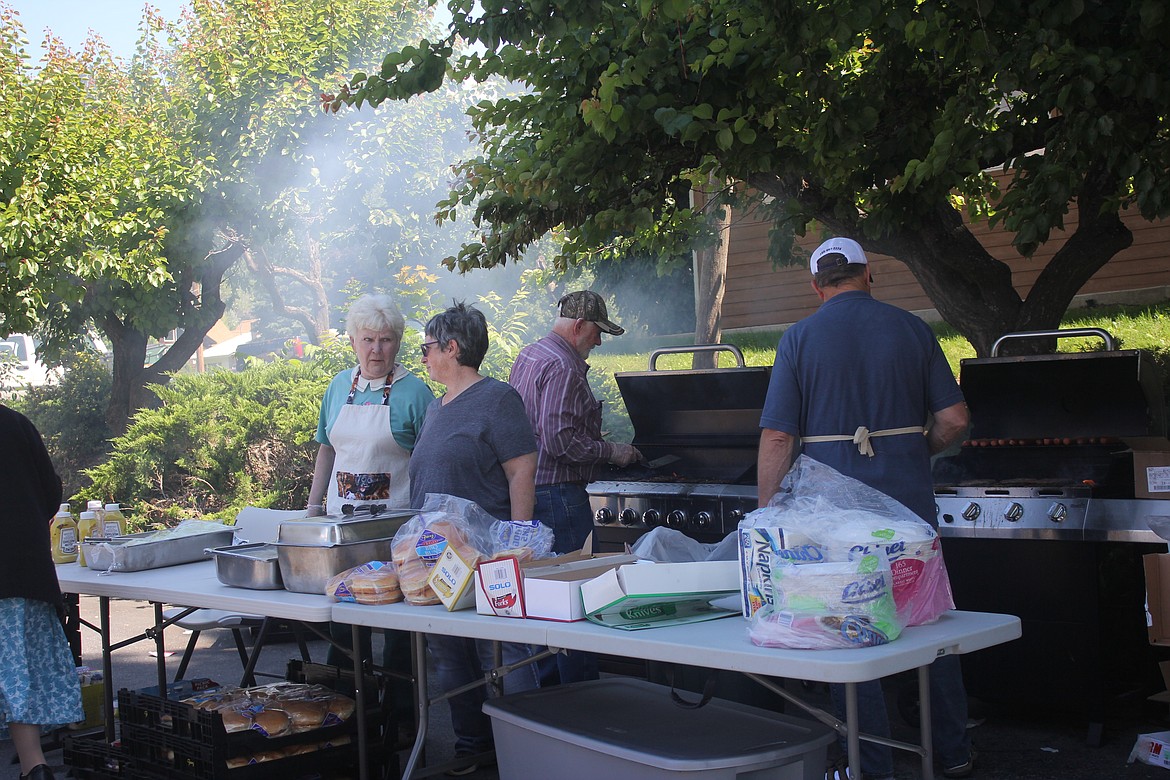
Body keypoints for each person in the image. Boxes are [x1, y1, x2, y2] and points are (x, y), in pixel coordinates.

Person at [756, 237, 975, 780]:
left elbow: (779, 437)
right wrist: (912, 451)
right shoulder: (912, 329)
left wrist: (767, 514)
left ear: (816, 285)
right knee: (928, 620)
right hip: (909, 507)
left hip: (833, 519)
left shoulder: (799, 339)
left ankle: (869, 764)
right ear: (867, 274)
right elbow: (955, 419)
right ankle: (953, 752)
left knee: (847, 627)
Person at [408, 302, 542, 776]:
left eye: (428, 347)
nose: (422, 355)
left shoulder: (498, 399)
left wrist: (519, 542)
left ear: (452, 347)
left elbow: (521, 467)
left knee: (500, 654)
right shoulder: (435, 404)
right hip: (437, 558)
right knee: (449, 654)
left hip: (487, 554)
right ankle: (472, 747)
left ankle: (526, 747)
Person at [305, 293, 434, 746]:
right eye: (367, 340)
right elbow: (326, 448)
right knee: (342, 616)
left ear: (397, 343)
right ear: (352, 341)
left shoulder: (416, 393)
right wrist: (313, 506)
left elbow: (430, 460)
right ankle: (339, 712)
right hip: (344, 529)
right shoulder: (339, 386)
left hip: (395, 530)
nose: (375, 350)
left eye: (384, 340)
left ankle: (400, 717)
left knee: (399, 624)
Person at [509, 290, 640, 685]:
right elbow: (559, 441)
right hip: (560, 497)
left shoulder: (529, 355)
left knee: (543, 603)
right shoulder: (564, 366)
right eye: (597, 333)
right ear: (579, 326)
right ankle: (583, 701)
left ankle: (546, 702)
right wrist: (615, 452)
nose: (599, 342)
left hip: (530, 494)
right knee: (576, 603)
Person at [0, 404, 83, 780]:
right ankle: (36, 767)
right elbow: (50, 493)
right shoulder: (14, 423)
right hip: (23, 568)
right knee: (19, 669)